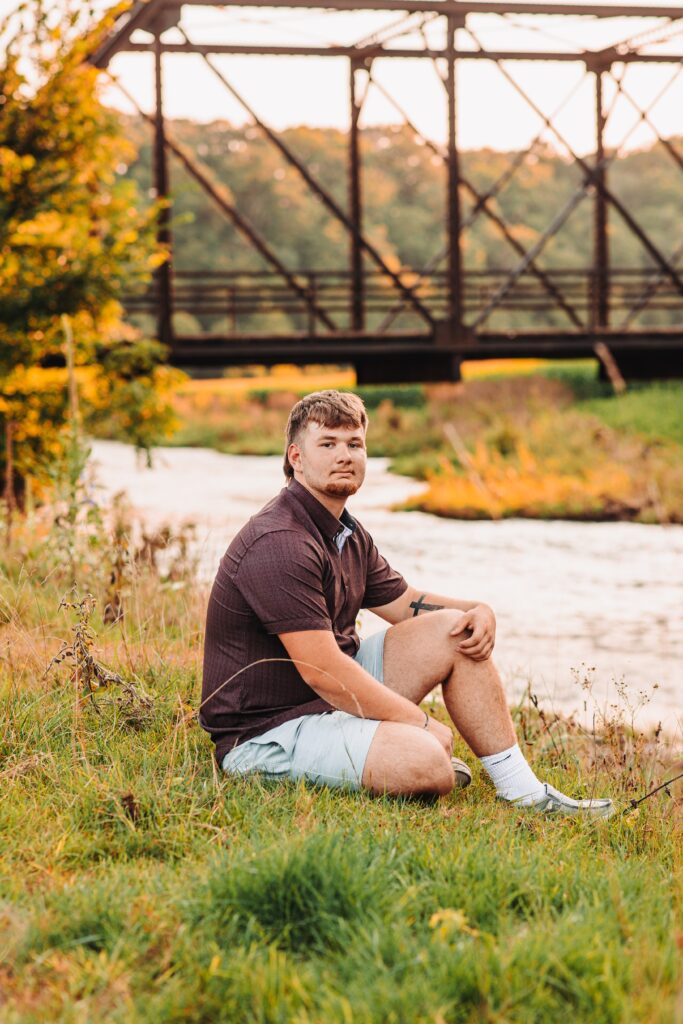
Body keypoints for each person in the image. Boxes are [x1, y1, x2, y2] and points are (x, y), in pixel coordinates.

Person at [200, 390, 613, 817]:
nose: (344, 455)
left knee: (456, 629)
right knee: (427, 762)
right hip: (268, 733)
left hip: (322, 702)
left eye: (354, 444)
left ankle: (524, 792)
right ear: (296, 457)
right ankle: (409, 753)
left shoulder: (346, 532)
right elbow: (323, 671)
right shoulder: (280, 541)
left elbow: (406, 602)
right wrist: (418, 722)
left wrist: (478, 609)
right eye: (328, 444)